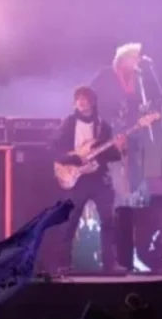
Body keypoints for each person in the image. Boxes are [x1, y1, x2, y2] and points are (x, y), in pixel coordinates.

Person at [49, 86, 127, 273]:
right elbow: (52, 147)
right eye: (78, 99)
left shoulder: (103, 126)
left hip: (99, 178)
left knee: (108, 220)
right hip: (76, 178)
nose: (81, 102)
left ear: (92, 102)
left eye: (85, 98)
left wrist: (120, 148)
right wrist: (72, 159)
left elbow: (111, 155)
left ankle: (110, 264)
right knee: (69, 221)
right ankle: (63, 264)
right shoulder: (68, 123)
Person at [88, 42, 156, 206]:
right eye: (135, 58)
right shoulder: (106, 75)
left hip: (131, 132)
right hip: (108, 132)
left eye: (138, 58)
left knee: (133, 170)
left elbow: (146, 103)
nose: (138, 62)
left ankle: (134, 205)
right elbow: (90, 99)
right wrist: (107, 126)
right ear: (123, 59)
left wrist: (149, 114)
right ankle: (115, 205)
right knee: (113, 172)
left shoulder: (138, 79)